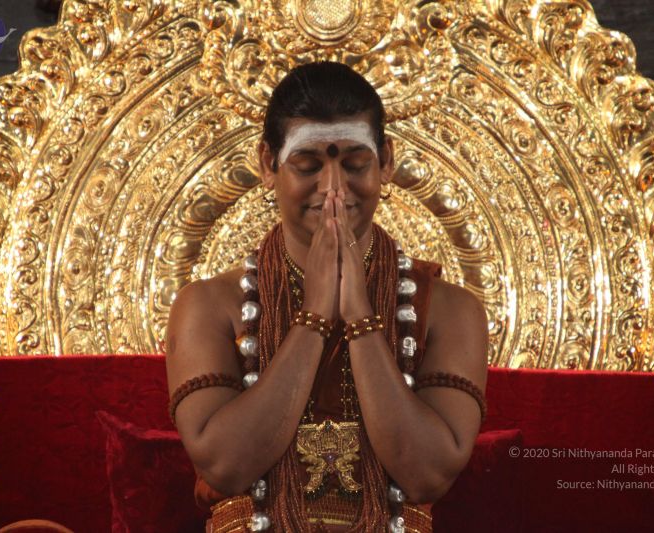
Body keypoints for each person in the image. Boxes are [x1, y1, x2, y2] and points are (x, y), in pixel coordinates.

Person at [165, 60, 488, 533]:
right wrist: (313, 316)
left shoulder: (449, 310)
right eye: (308, 165)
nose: (333, 187)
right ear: (268, 164)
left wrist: (360, 316)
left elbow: (427, 475)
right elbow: (225, 467)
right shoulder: (208, 306)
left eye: (355, 164)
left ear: (387, 162)